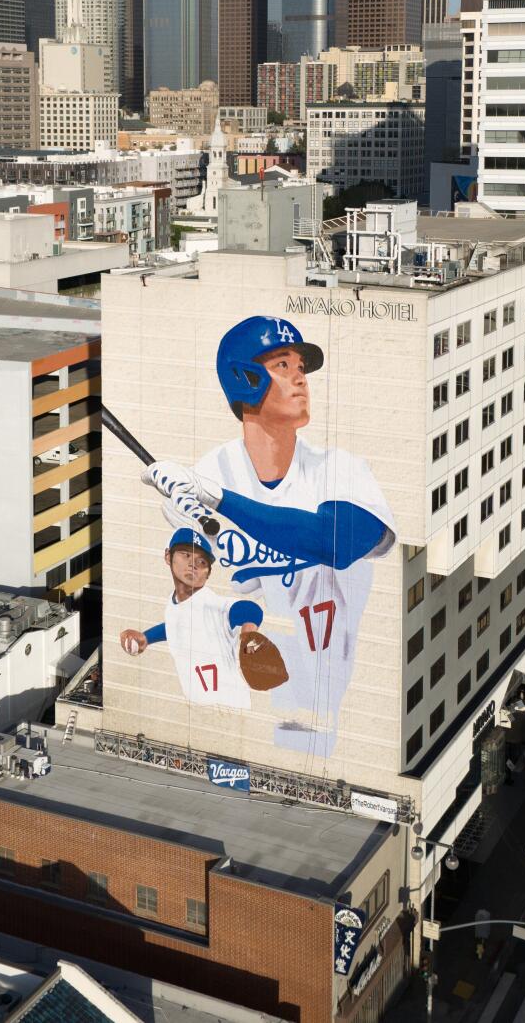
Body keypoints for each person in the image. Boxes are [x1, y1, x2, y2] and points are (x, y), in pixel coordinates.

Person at [143, 315, 396, 756]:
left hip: (328, 700)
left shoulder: (340, 469)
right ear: (245, 379)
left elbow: (335, 544)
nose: (301, 378)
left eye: (301, 366)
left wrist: (219, 500)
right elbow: (200, 585)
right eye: (283, 365)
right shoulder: (203, 477)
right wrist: (185, 514)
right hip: (236, 709)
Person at [119, 523, 264, 709]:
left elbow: (250, 610)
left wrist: (248, 638)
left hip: (227, 706)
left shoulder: (209, 603)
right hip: (198, 706)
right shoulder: (174, 603)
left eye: (202, 562)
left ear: (208, 574)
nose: (193, 564)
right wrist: (147, 637)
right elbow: (174, 625)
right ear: (168, 557)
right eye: (186, 554)